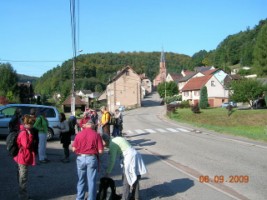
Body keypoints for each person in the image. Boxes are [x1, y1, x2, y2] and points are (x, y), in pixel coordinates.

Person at [102, 134, 147, 200]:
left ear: (105, 140)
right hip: (135, 155)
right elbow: (119, 147)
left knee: (126, 180)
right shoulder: (115, 139)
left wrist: (108, 172)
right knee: (135, 177)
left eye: (102, 142)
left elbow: (112, 160)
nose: (102, 145)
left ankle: (125, 198)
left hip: (130, 158)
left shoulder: (112, 144)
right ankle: (136, 197)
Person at [72, 120, 104, 200]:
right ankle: (91, 198)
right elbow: (100, 151)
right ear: (92, 126)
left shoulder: (79, 134)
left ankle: (79, 198)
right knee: (91, 181)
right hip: (91, 158)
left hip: (80, 158)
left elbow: (73, 149)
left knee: (81, 180)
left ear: (86, 125)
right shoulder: (96, 135)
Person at [14, 114, 36, 200]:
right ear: (26, 123)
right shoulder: (24, 132)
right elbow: (26, 145)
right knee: (23, 178)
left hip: (22, 156)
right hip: (23, 157)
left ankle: (23, 195)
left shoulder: (23, 130)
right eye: (30, 124)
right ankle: (23, 196)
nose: (32, 125)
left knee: (21, 177)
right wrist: (30, 136)